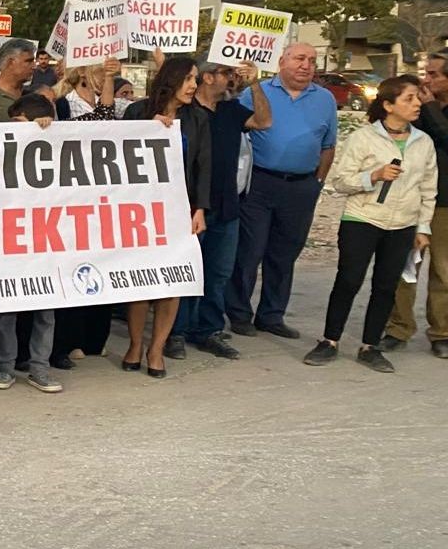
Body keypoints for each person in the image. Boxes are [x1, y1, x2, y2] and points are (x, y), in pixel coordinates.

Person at [306, 76, 436, 373]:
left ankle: (370, 346)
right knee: (349, 280)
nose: (417, 104)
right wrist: (373, 176)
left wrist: (423, 227)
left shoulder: (423, 141)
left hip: (402, 224)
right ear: (388, 105)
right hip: (362, 219)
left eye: (417, 98)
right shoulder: (363, 137)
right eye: (409, 99)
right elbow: (339, 181)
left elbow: (429, 188)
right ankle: (329, 340)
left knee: (386, 285)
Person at [228, 43, 337, 340]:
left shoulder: (325, 99)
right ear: (282, 61)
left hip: (302, 186)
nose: (306, 65)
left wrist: (318, 182)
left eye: (312, 61)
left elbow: (328, 144)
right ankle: (238, 313)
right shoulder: (256, 92)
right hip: (260, 183)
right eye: (300, 58)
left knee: (285, 253)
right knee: (250, 251)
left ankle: (272, 315)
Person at [175, 61, 271, 360]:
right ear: (208, 77)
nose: (233, 78)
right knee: (187, 271)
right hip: (190, 206)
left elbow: (264, 121)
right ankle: (176, 331)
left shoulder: (230, 110)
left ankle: (208, 329)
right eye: (228, 73)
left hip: (227, 205)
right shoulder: (184, 112)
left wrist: (255, 84)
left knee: (217, 273)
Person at [121, 56, 210, 378]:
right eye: (188, 79)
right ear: (171, 80)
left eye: (196, 79)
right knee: (142, 282)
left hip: (180, 211)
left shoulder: (198, 118)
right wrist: (149, 129)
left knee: (171, 282)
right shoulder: (137, 112)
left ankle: (156, 349)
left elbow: (203, 165)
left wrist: (199, 208)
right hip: (141, 211)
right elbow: (115, 152)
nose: (193, 86)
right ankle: (134, 344)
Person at [0, 93, 65, 394]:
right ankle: (6, 366)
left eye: (20, 122)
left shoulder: (53, 144)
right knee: (6, 310)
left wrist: (49, 131)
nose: (13, 127)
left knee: (46, 311)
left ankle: (39, 369)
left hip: (44, 238)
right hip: (9, 238)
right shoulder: (1, 145)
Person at [384, 51, 448, 356]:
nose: (426, 80)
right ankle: (398, 328)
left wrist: (434, 109)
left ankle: (442, 332)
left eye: (434, 74)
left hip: (445, 204)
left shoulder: (431, 109)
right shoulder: (418, 109)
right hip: (410, 198)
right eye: (426, 73)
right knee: (405, 267)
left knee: (443, 271)